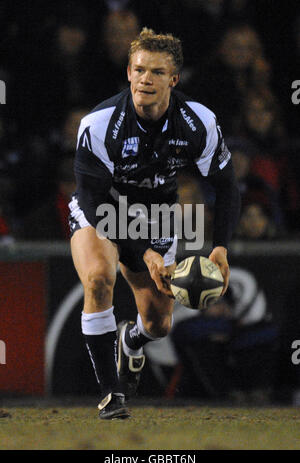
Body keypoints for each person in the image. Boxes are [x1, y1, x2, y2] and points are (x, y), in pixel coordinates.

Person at [68, 28, 240, 419]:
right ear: (128, 72)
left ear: (173, 79)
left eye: (157, 72)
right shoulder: (98, 124)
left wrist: (221, 246)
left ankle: (132, 339)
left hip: (157, 216)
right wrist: (140, 251)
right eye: (139, 70)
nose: (146, 79)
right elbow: (94, 202)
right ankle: (112, 395)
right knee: (98, 277)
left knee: (159, 324)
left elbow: (227, 188)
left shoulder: (199, 123)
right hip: (104, 211)